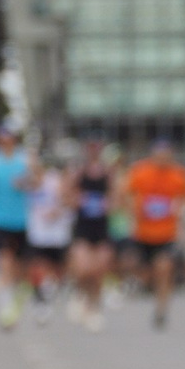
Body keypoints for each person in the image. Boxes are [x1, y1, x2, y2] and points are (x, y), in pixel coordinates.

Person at [124, 136, 185, 324]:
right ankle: (140, 287)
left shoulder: (179, 174)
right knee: (142, 270)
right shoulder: (140, 171)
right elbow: (127, 194)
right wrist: (133, 213)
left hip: (166, 233)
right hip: (143, 233)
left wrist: (182, 216)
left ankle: (161, 309)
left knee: (164, 269)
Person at [0, 126, 33, 330]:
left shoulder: (26, 158)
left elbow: (37, 181)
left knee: (19, 267)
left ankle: (16, 297)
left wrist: (25, 181)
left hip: (21, 219)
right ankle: (5, 305)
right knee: (4, 260)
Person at [68, 139, 116, 329]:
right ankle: (80, 294)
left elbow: (117, 197)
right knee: (83, 269)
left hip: (101, 228)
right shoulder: (78, 172)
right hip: (83, 227)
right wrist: (77, 200)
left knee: (99, 271)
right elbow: (66, 196)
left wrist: (109, 204)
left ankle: (94, 307)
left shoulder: (108, 173)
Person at [24, 154, 74, 318]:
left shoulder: (54, 180)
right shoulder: (28, 182)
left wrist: (57, 210)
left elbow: (68, 199)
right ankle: (39, 296)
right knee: (36, 265)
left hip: (57, 234)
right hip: (37, 234)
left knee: (58, 268)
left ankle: (56, 289)